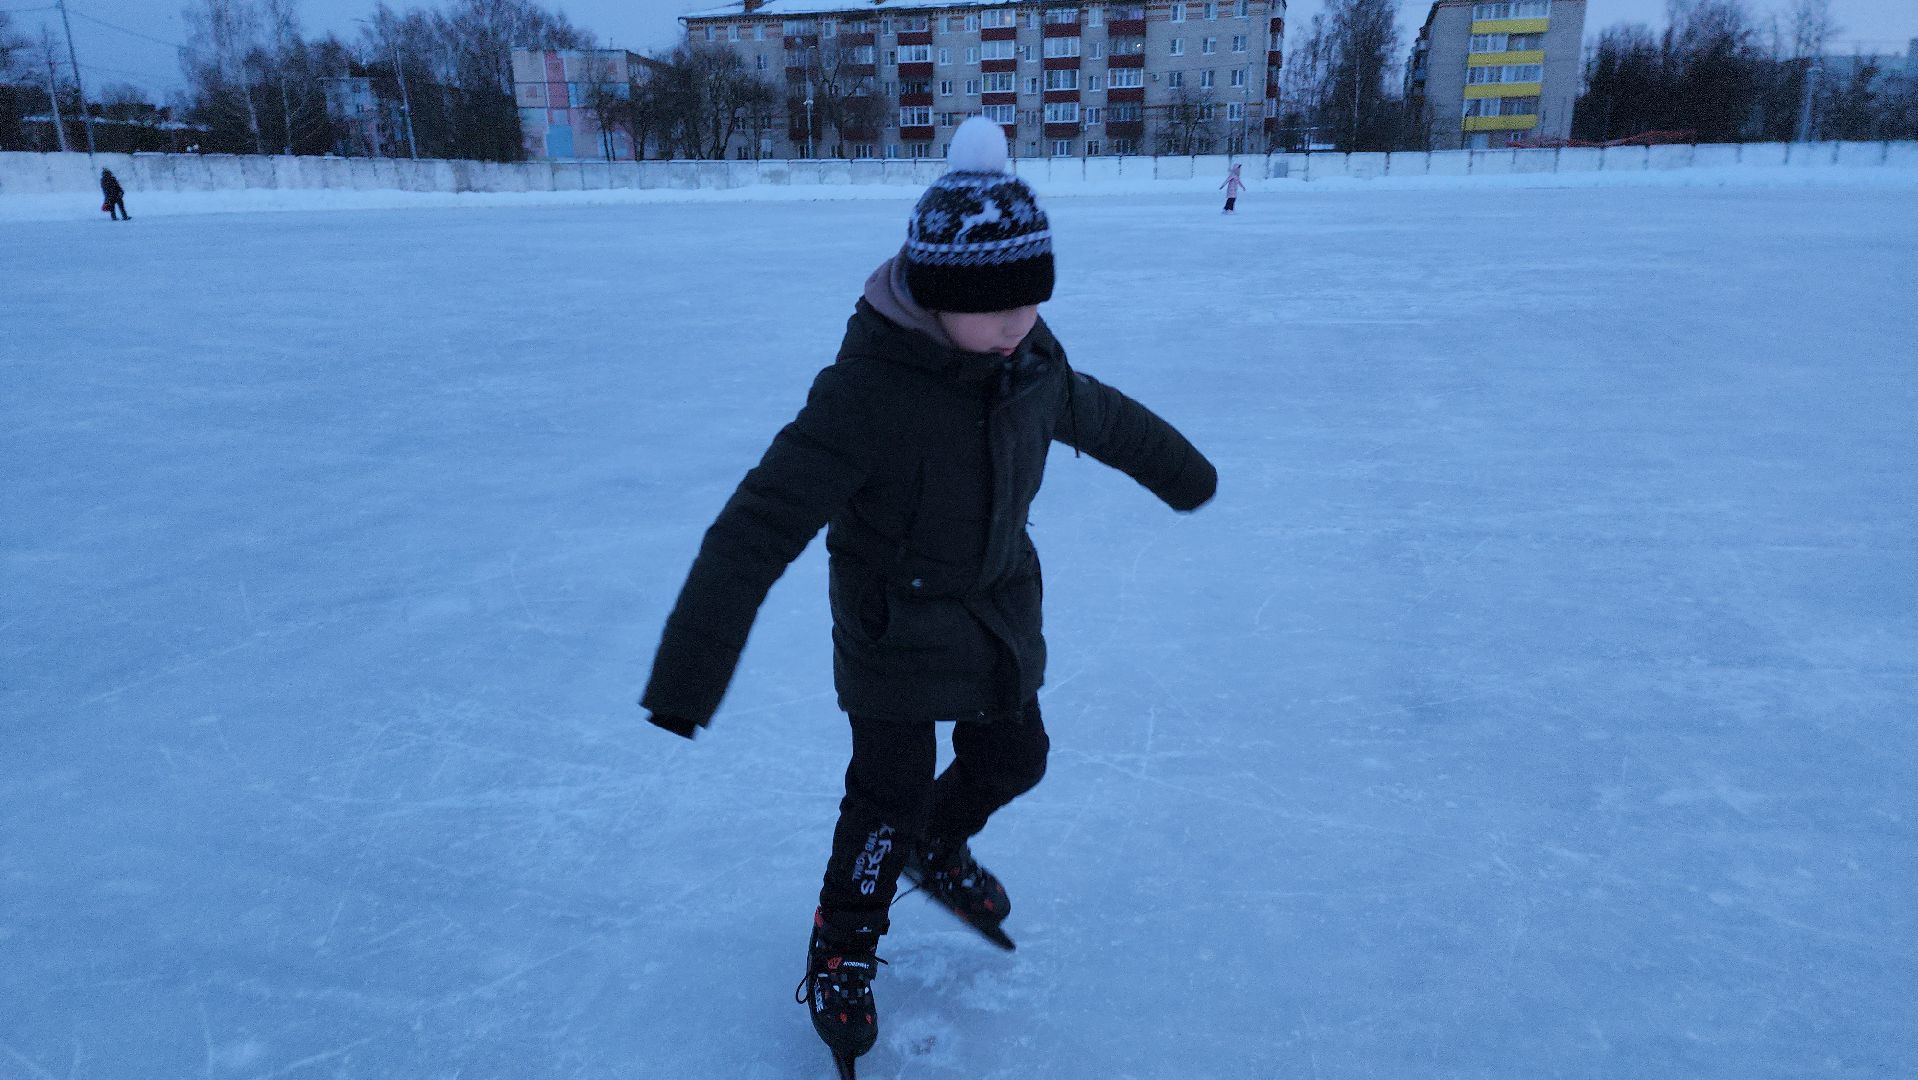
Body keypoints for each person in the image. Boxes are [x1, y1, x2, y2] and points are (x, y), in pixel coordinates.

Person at [638, 115, 1217, 1070]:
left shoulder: (1028, 361)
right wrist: (687, 680)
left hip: (995, 611)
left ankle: (935, 844)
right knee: (887, 798)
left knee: (1017, 759)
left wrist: (1186, 475)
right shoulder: (865, 395)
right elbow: (755, 528)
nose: (1019, 321)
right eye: (997, 306)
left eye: (1033, 299)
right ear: (940, 295)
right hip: (893, 625)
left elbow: (1102, 414)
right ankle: (843, 944)